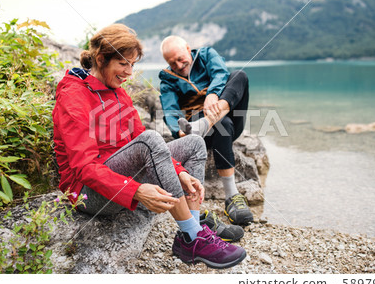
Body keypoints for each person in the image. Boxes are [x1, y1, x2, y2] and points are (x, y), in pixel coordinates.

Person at [52, 24, 246, 269]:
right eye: (123, 64)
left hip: (119, 174)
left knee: (195, 143)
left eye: (132, 65)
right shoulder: (74, 95)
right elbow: (84, 168)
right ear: (101, 59)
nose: (129, 73)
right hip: (87, 194)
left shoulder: (118, 93)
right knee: (151, 139)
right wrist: (134, 190)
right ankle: (196, 235)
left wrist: (180, 171)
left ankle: (191, 235)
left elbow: (141, 141)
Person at [159, 36, 254, 226]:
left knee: (239, 76)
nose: (178, 65)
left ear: (188, 48)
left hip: (226, 115)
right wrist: (180, 134)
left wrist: (213, 93)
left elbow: (220, 73)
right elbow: (171, 111)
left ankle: (208, 121)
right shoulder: (168, 79)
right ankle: (232, 196)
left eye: (180, 58)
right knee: (222, 124)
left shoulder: (207, 55)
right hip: (198, 132)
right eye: (172, 63)